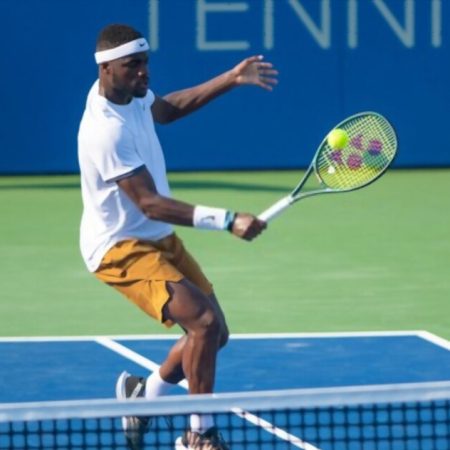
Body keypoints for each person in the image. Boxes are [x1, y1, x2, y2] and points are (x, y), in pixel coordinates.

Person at [77, 23, 278, 450]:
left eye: (146, 62)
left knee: (214, 334)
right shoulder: (104, 131)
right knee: (202, 323)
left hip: (156, 236)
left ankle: (142, 397)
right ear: (106, 68)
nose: (144, 73)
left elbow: (166, 109)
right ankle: (198, 435)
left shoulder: (130, 97)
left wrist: (230, 78)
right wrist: (226, 219)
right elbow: (148, 202)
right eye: (134, 65)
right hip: (118, 248)